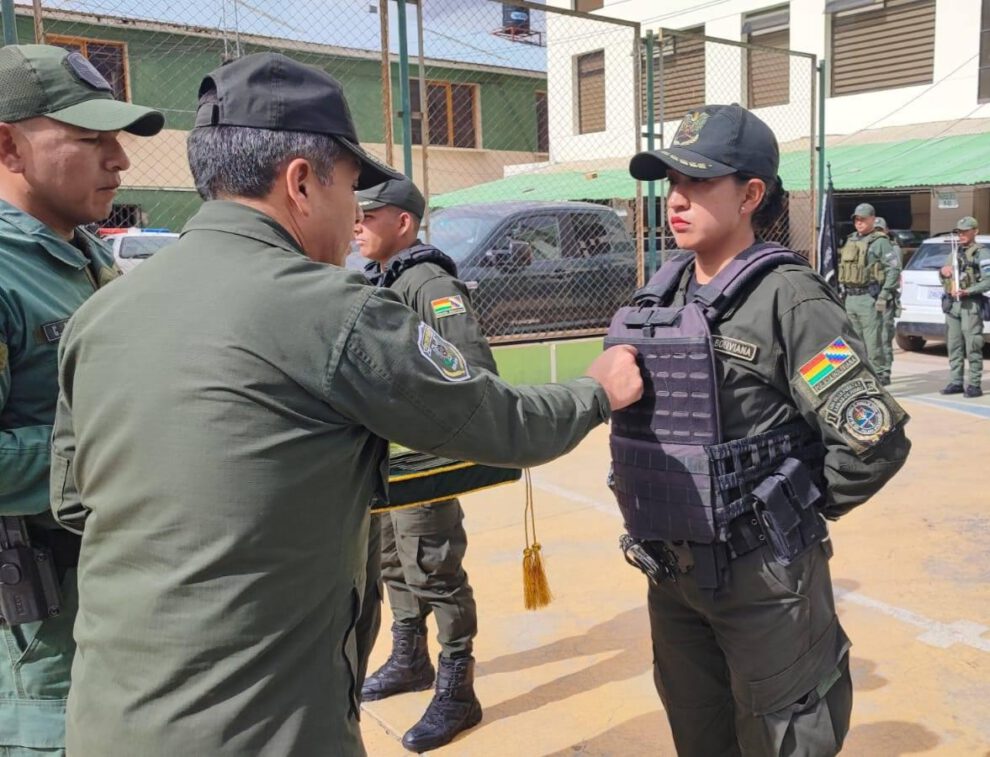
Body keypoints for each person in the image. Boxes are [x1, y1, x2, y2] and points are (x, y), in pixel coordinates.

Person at [48, 52, 642, 757]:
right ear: (302, 181)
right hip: (264, 726)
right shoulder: (333, 312)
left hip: (107, 720)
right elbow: (500, 422)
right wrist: (597, 390)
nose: (352, 220)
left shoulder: (101, 313)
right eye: (350, 193)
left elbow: (74, 499)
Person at [618, 103, 911, 756]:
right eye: (671, 182)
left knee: (784, 741)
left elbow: (873, 440)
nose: (677, 199)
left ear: (751, 194)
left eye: (698, 182)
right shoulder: (659, 296)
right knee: (700, 737)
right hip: (671, 575)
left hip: (765, 586)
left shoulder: (790, 299)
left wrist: (783, 512)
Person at [0, 43, 163, 755]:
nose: (119, 159)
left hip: (114, 622)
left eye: (117, 138)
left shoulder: (85, 257)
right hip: (43, 662)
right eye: (90, 138)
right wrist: (116, 452)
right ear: (7, 144)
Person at [352, 175, 493, 752]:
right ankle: (410, 658)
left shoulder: (429, 283)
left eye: (369, 214)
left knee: (432, 567)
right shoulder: (382, 279)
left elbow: (472, 367)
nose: (356, 223)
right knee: (392, 562)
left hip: (423, 460)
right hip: (390, 457)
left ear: (402, 223)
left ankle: (458, 685)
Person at [837, 202, 898, 383]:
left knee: (873, 342)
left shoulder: (880, 242)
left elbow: (893, 269)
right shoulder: (851, 240)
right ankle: (858, 376)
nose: (859, 223)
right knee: (853, 341)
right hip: (850, 297)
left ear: (872, 219)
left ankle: (878, 376)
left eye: (863, 219)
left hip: (868, 298)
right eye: (857, 219)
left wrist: (884, 295)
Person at [938, 216, 990, 397]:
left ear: (975, 231)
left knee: (973, 344)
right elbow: (944, 276)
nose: (961, 235)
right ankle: (956, 382)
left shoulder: (981, 253)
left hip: (970, 304)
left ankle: (974, 384)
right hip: (953, 306)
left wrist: (969, 291)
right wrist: (943, 272)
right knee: (954, 345)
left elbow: (988, 281)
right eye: (959, 231)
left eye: (965, 231)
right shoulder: (953, 253)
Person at [873, 216, 902, 386]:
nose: (877, 233)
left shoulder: (892, 248)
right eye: (875, 230)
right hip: (869, 296)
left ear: (886, 230)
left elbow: (894, 271)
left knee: (884, 336)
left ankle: (885, 371)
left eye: (880, 230)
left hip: (885, 298)